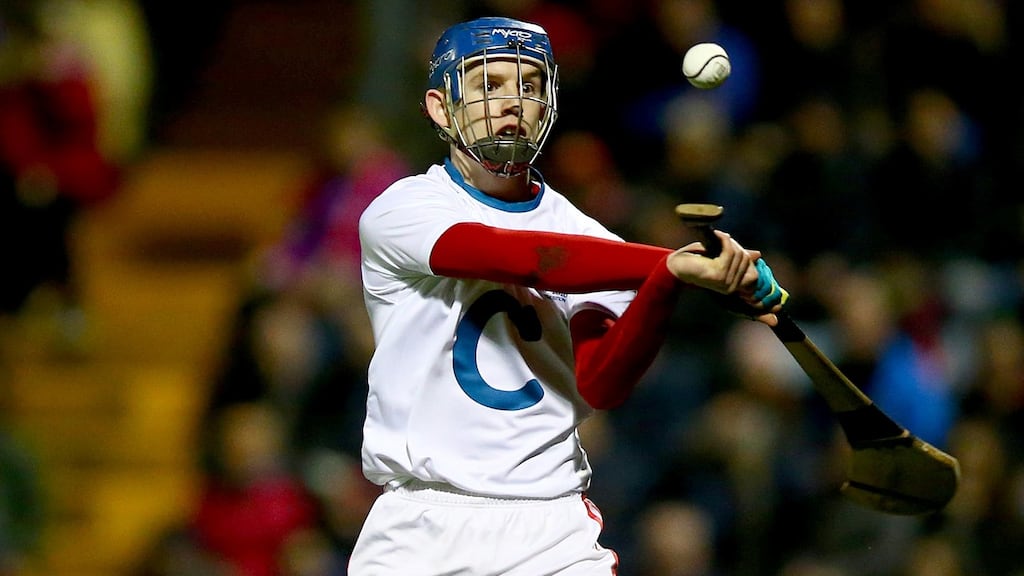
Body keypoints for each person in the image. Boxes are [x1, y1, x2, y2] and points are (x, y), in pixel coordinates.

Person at [348, 16, 789, 575]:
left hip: (549, 526)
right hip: (421, 521)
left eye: (529, 86)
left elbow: (601, 383)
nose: (512, 101)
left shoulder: (591, 238)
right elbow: (522, 257)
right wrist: (672, 265)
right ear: (440, 107)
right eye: (489, 84)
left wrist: (669, 284)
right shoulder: (402, 209)